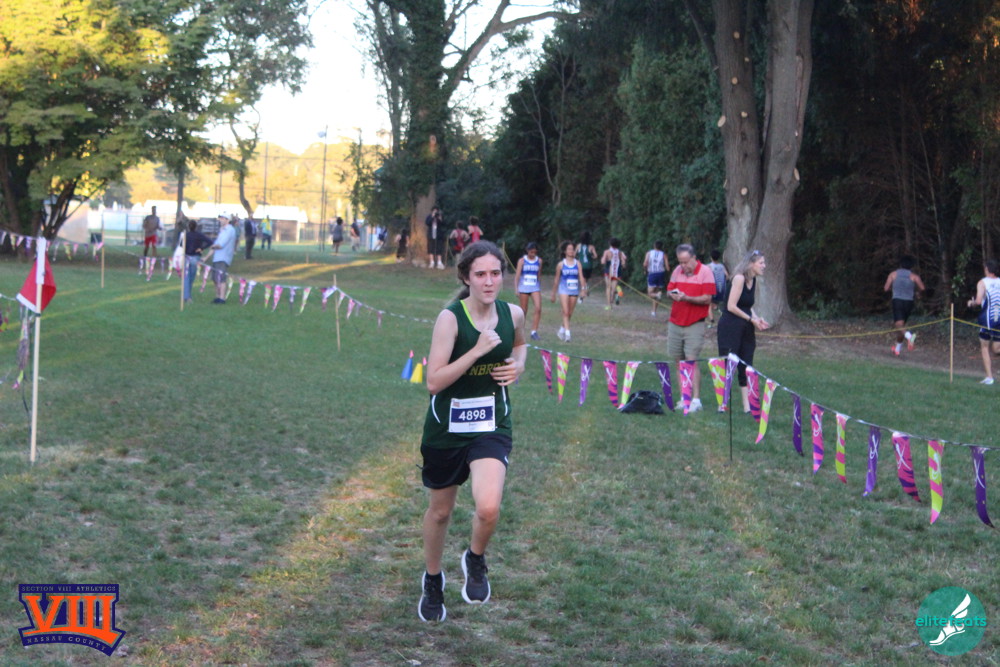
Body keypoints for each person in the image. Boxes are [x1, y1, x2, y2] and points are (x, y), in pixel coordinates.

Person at [418, 241, 527, 623]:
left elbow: (521, 345)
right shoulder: (450, 319)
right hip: (446, 428)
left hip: (491, 424)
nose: (489, 281)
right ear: (466, 277)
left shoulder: (512, 313)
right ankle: (433, 579)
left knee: (488, 507)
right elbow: (434, 382)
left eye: (495, 273)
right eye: (480, 274)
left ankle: (475, 558)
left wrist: (518, 365)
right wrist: (477, 351)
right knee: (440, 512)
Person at [717, 250, 771, 412]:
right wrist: (750, 319)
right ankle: (723, 404)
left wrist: (757, 319)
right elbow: (731, 306)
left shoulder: (752, 280)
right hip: (730, 327)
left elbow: (747, 306)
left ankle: (747, 407)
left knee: (746, 364)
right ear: (751, 264)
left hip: (746, 328)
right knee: (728, 364)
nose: (764, 266)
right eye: (761, 263)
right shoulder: (739, 278)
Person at [666, 243, 717, 412]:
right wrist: (673, 295)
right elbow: (669, 290)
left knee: (691, 360)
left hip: (694, 323)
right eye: (680, 262)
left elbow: (707, 298)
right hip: (675, 322)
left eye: (686, 262)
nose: (683, 265)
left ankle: (695, 400)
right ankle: (683, 397)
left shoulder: (706, 272)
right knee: (678, 361)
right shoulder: (677, 271)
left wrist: (686, 298)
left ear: (694, 258)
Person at [884, 255, 926, 356]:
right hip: (909, 302)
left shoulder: (893, 274)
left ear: (900, 264)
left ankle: (909, 337)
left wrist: (894, 288)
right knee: (901, 327)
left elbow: (886, 288)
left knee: (898, 325)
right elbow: (922, 288)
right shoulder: (914, 276)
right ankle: (897, 349)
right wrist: (917, 293)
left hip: (897, 301)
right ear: (911, 266)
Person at [967, 259, 1000, 385]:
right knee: (996, 349)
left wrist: (971, 303)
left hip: (987, 318)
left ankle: (989, 377)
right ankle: (989, 377)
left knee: (984, 346)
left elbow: (979, 301)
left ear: (987, 269)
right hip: (999, 318)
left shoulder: (982, 282)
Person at [551, 241, 581, 341]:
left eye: (573, 249)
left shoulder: (578, 264)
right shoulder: (561, 264)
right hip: (563, 289)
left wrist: (584, 289)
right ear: (565, 251)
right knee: (566, 311)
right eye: (569, 249)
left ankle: (561, 330)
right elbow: (556, 280)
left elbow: (581, 277)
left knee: (570, 313)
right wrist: (553, 293)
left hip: (574, 290)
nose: (571, 251)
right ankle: (568, 334)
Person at [513, 242, 543, 341]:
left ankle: (534, 331)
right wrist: (516, 288)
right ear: (527, 251)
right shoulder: (522, 261)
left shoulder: (539, 261)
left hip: (535, 287)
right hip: (524, 287)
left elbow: (539, 275)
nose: (533, 254)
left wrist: (539, 285)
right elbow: (517, 275)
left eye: (534, 252)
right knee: (523, 310)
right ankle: (520, 330)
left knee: (538, 308)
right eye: (531, 252)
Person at [179, 220, 213, 303]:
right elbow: (210, 242)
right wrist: (201, 248)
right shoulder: (199, 235)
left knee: (186, 277)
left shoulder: (186, 235)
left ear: (188, 227)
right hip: (195, 257)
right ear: (196, 227)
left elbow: (181, 244)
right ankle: (187, 296)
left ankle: (186, 296)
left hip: (187, 257)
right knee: (191, 277)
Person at [208, 214, 237, 304]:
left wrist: (208, 244)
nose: (220, 220)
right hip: (217, 257)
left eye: (222, 218)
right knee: (215, 278)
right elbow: (215, 245)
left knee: (221, 278)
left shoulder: (230, 230)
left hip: (223, 257)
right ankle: (217, 296)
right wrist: (206, 257)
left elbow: (220, 245)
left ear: (228, 220)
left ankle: (222, 298)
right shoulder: (222, 230)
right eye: (220, 218)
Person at [643, 240, 668, 317]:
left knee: (650, 293)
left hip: (652, 273)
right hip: (661, 274)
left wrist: (645, 270)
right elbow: (667, 267)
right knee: (657, 293)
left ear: (654, 246)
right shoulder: (664, 254)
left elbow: (645, 263)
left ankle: (657, 295)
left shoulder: (649, 253)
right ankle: (653, 312)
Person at [600, 238, 627, 310]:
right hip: (617, 272)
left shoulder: (607, 252)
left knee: (608, 287)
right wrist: (623, 265)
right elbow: (624, 262)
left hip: (608, 271)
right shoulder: (620, 252)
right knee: (613, 288)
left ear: (610, 244)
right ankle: (614, 297)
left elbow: (603, 261)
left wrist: (604, 260)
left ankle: (609, 304)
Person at [707, 249, 729, 325]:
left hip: (712, 288)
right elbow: (727, 276)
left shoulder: (709, 266)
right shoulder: (722, 266)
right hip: (721, 289)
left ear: (711, 257)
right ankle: (718, 309)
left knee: (708, 304)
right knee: (714, 303)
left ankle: (712, 321)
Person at [575, 231, 598, 300]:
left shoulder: (578, 246)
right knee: (585, 279)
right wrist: (591, 257)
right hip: (589, 265)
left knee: (582, 279)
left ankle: (582, 295)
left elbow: (574, 254)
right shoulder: (591, 247)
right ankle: (586, 288)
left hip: (581, 265)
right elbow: (595, 256)